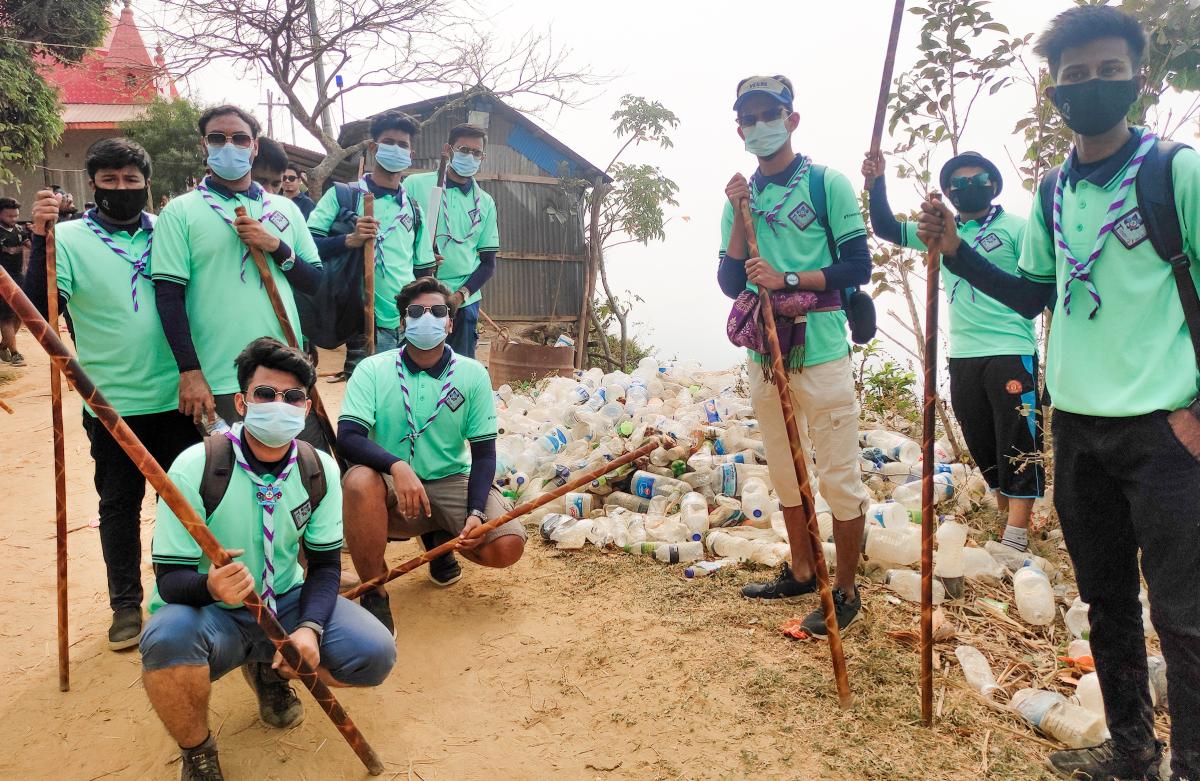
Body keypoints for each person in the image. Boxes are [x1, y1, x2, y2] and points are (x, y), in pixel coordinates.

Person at [916, 7, 1199, 780]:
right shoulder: (1051, 191)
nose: (1092, 86)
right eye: (1076, 76)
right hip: (1076, 426)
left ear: (1138, 78)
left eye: (1110, 71)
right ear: (1054, 91)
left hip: (1165, 430)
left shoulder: (1176, 172)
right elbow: (1034, 292)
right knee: (1105, 601)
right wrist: (955, 252)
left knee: (1183, 613)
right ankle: (1134, 751)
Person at [139, 337, 395, 781]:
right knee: (166, 641)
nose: (280, 404)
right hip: (213, 612)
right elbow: (169, 579)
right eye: (266, 394)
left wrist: (310, 630)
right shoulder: (195, 466)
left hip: (287, 600)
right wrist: (210, 587)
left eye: (293, 397)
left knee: (374, 654)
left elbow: (326, 566)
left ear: (308, 408)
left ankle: (270, 669)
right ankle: (198, 751)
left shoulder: (319, 470)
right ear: (241, 401)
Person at [24, 139, 202, 650]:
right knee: (119, 505)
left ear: (146, 183)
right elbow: (42, 310)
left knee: (189, 500)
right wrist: (41, 238)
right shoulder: (70, 237)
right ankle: (124, 604)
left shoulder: (169, 231)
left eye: (131, 180)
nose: (121, 189)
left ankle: (186, 590)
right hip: (110, 402)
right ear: (93, 184)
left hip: (181, 397)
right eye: (109, 180)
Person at [717, 75, 872, 636]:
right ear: (740, 130)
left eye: (770, 113)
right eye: (750, 119)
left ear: (792, 118)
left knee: (837, 475)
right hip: (766, 351)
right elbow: (729, 277)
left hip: (823, 346)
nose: (761, 126)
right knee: (786, 471)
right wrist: (739, 214)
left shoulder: (827, 183)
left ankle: (848, 588)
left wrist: (787, 277)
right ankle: (804, 569)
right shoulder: (742, 195)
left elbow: (858, 266)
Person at [862, 150, 1043, 552]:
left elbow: (1037, 286)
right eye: (957, 184)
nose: (968, 188)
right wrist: (878, 182)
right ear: (948, 193)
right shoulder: (937, 229)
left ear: (993, 185)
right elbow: (888, 227)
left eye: (977, 180)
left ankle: (1017, 535)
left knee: (1018, 439)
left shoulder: (1019, 228)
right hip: (963, 353)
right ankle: (1003, 516)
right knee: (981, 438)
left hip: (1010, 348)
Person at [338, 277, 524, 633]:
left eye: (437, 311)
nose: (427, 318)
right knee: (359, 481)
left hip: (449, 479)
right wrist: (396, 465)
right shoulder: (372, 370)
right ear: (403, 321)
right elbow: (348, 438)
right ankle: (374, 592)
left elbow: (484, 454)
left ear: (450, 323)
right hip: (389, 483)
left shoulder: (471, 375)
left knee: (506, 546)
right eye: (416, 311)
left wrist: (473, 513)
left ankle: (441, 533)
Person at [151, 105, 327, 447]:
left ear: (255, 146)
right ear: (204, 145)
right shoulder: (180, 212)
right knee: (234, 478)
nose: (229, 146)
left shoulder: (285, 209)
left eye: (240, 138)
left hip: (285, 371)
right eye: (218, 138)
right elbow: (168, 297)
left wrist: (275, 246)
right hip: (219, 378)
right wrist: (190, 371)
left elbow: (314, 281)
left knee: (305, 471)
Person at [309, 111, 433, 381]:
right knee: (364, 404)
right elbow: (308, 248)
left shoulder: (414, 209)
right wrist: (349, 240)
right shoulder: (343, 195)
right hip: (360, 321)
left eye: (403, 145)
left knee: (404, 398)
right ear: (375, 148)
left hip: (404, 321)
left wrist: (424, 314)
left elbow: (423, 270)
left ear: (411, 154)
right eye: (389, 142)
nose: (396, 149)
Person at [402, 124, 499, 358]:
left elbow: (488, 263)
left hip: (463, 303)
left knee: (459, 370)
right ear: (448, 149)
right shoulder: (416, 185)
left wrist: (459, 296)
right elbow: (398, 239)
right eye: (465, 149)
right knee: (415, 364)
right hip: (419, 294)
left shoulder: (485, 202)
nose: (471, 157)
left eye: (477, 153)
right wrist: (422, 257)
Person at [0, 196, 29, 366]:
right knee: (6, 317)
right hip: (3, 279)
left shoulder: (19, 229)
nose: (14, 219)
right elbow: (10, 251)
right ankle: (15, 353)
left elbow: (29, 244)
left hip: (19, 277)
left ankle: (4, 346)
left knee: (21, 314)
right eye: (10, 216)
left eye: (16, 215)